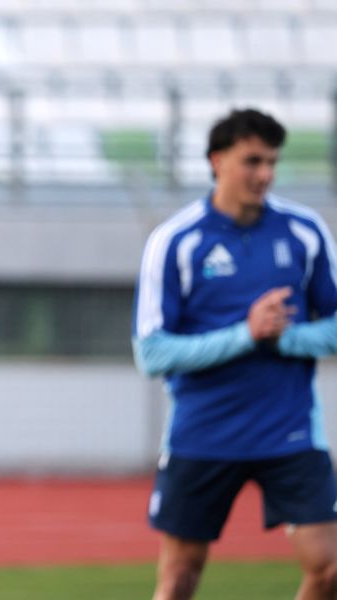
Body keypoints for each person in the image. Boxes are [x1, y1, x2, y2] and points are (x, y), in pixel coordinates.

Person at [132, 107, 337, 600]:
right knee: (178, 580)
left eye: (272, 162)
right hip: (202, 433)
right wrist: (246, 334)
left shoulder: (304, 231)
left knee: (331, 568)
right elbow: (152, 353)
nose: (265, 174)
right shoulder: (175, 241)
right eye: (252, 161)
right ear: (217, 161)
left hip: (289, 431)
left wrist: (284, 338)